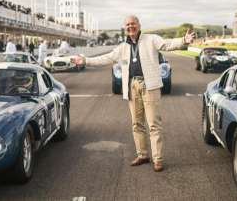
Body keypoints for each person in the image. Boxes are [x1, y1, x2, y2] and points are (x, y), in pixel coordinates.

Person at [72, 15, 194, 172]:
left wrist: (184, 40)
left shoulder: (151, 39)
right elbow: (106, 58)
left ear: (139, 25)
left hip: (149, 85)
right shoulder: (123, 47)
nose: (131, 27)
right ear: (125, 28)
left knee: (153, 124)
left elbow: (167, 44)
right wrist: (86, 61)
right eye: (128, 24)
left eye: (133, 24)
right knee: (137, 124)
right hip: (132, 86)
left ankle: (157, 159)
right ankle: (142, 155)